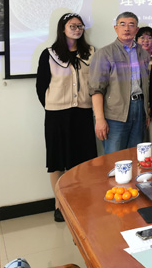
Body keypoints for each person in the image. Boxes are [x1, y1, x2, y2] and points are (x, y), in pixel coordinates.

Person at [36, 13, 96, 222]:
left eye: (80, 26)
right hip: (57, 116)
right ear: (63, 29)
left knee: (82, 161)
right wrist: (54, 106)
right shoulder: (49, 54)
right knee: (57, 162)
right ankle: (59, 205)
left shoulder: (90, 52)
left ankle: (79, 202)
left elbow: (96, 82)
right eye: (72, 26)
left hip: (83, 113)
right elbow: (41, 86)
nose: (77, 29)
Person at [89, 11, 150, 154]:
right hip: (115, 114)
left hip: (139, 109)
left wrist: (146, 112)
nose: (127, 28)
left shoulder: (143, 53)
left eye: (131, 25)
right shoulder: (104, 53)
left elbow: (145, 85)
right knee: (114, 158)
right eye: (122, 24)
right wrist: (99, 119)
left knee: (136, 155)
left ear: (137, 29)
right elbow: (96, 89)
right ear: (115, 28)